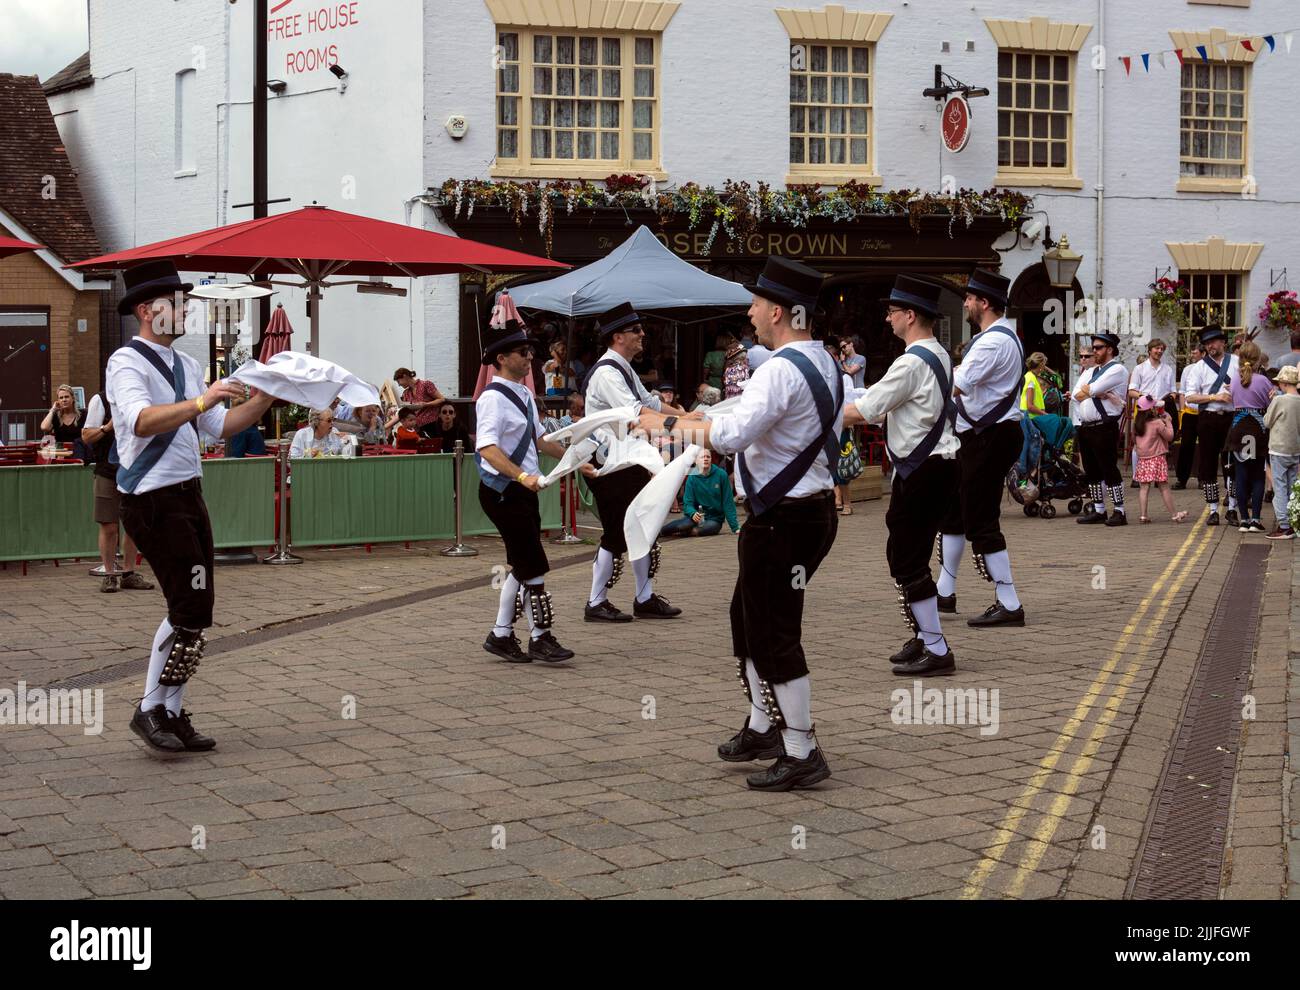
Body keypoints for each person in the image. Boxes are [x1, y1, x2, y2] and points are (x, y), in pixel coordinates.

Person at [639, 256, 841, 792]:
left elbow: (730, 438)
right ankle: (763, 725)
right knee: (746, 619)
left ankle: (800, 747)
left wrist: (664, 422)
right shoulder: (822, 362)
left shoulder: (777, 368)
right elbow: (740, 417)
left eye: (755, 303)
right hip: (808, 514)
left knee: (773, 629)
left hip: (783, 520)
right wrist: (695, 419)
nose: (749, 313)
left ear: (778, 311)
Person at [106, 260, 275, 753]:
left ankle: (170, 710)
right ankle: (151, 708)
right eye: (175, 302)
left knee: (197, 607)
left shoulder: (188, 366)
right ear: (146, 309)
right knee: (188, 604)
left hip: (187, 493)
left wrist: (264, 399)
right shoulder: (126, 362)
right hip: (151, 498)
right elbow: (140, 421)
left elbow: (219, 428)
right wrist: (203, 401)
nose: (184, 310)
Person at [844, 276, 960, 676]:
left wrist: (811, 413)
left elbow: (865, 410)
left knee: (907, 556)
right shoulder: (938, 354)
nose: (887, 317)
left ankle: (936, 647)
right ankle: (924, 635)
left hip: (924, 470)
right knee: (907, 553)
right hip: (936, 467)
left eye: (892, 312)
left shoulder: (911, 362)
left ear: (910, 316)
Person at [476, 320, 590, 664]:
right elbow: (487, 448)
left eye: (530, 352)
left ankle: (500, 635)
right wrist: (523, 476)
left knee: (522, 563)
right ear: (501, 358)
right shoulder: (491, 399)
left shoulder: (524, 392)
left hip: (522, 490)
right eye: (522, 352)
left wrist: (577, 461)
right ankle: (540, 637)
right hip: (503, 491)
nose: (529, 358)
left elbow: (540, 440)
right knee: (533, 564)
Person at [582, 302, 690, 622]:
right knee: (618, 531)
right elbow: (637, 412)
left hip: (628, 459)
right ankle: (595, 602)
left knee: (644, 524)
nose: (643, 334)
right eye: (636, 330)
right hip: (608, 462)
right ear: (618, 337)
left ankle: (644, 597)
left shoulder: (623, 367)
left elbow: (651, 402)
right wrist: (686, 426)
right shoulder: (606, 373)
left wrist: (687, 415)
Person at [936, 269, 1027, 627]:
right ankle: (944, 592)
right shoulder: (1003, 336)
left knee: (981, 519)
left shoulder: (993, 342)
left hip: (990, 437)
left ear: (984, 303)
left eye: (970, 299)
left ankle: (1009, 601)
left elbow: (955, 383)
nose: (967, 304)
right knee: (955, 513)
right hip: (983, 435)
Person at [81, 390, 154, 593]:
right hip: (107, 470)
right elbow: (86, 436)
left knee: (133, 523)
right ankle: (109, 574)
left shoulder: (140, 397)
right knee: (108, 525)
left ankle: (129, 574)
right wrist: (108, 427)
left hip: (133, 469)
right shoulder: (101, 400)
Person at [1182, 325, 1241, 526]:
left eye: (1214, 341)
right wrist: (1214, 396)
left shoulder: (1237, 362)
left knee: (1232, 463)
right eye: (1207, 343)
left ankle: (1232, 508)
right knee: (1207, 464)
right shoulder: (1198, 367)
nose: (1210, 345)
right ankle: (1213, 509)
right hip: (1208, 418)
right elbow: (1189, 397)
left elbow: (1247, 387)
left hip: (1232, 418)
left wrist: (1233, 392)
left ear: (1223, 342)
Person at [1073, 332, 1130, 525]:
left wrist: (1093, 391)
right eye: (1094, 348)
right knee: (1091, 470)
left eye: (1098, 348)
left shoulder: (1118, 369)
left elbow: (1093, 390)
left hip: (1104, 426)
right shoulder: (1089, 372)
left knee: (1109, 468)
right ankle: (1099, 510)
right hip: (1086, 426)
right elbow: (1075, 395)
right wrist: (1095, 391)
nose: (1094, 351)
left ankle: (1119, 511)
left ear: (1110, 349)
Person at [1227, 340, 1274, 533]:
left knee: (1240, 475)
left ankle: (1243, 520)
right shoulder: (1263, 381)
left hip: (1238, 428)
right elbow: (1269, 404)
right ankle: (1255, 519)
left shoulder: (1234, 379)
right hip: (1257, 428)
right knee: (1257, 476)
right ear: (1257, 360)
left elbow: (1232, 401)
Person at [1128, 338, 1177, 487]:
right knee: (1140, 442)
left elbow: (1173, 392)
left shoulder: (1168, 369)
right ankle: (1137, 477)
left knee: (1161, 442)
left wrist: (1168, 399)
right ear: (1150, 350)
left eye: (1162, 349)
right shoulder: (1140, 369)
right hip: (1144, 409)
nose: (1159, 351)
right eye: (1157, 348)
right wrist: (1144, 397)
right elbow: (1131, 391)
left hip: (1161, 408)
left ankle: (1157, 476)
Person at [660, 450, 740, 537]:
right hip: (695, 516)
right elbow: (688, 503)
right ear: (696, 461)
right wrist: (692, 512)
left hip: (714, 519)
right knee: (683, 525)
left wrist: (735, 527)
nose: (705, 459)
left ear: (711, 459)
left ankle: (682, 533)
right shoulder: (692, 477)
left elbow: (728, 502)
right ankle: (660, 532)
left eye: (708, 457)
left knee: (697, 531)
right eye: (702, 457)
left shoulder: (721, 475)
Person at [1132, 395, 1187, 523]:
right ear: (1151, 410)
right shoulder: (1157, 423)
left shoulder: (1137, 425)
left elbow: (1134, 440)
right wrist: (1168, 421)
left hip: (1143, 460)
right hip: (1157, 458)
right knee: (1164, 487)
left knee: (1144, 488)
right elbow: (1169, 436)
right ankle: (1174, 514)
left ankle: (1143, 515)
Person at [1264, 366, 1300, 538]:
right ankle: (1294, 522)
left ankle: (1284, 525)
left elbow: (1267, 421)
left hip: (1279, 449)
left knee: (1279, 486)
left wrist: (1273, 400)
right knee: (1292, 485)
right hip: (1295, 449)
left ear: (1284, 383)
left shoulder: (1279, 401)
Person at [1174, 343, 1204, 489]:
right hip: (1189, 413)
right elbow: (1183, 392)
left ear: (1203, 354)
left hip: (1205, 413)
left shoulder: (1208, 369)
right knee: (1186, 446)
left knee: (1205, 447)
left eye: (1195, 352)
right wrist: (1181, 411)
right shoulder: (1187, 369)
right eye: (1191, 352)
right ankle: (1182, 478)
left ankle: (1203, 479)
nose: (1192, 355)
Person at [393, 367, 446, 437]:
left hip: (432, 425)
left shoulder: (426, 385)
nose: (399, 385)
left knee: (434, 446)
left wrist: (426, 404)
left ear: (404, 376)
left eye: (398, 381)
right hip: (417, 428)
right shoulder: (406, 393)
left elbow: (441, 399)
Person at [222, 389, 269, 458]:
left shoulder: (240, 430)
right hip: (259, 465)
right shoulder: (251, 427)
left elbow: (235, 456)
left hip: (251, 466)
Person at [42, 384, 86, 456]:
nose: (64, 400)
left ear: (73, 398)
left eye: (66, 397)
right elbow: (44, 427)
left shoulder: (83, 414)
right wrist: (52, 410)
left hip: (79, 453)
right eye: (61, 398)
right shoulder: (56, 416)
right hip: (61, 454)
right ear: (58, 401)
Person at [1069, 342, 1093, 431]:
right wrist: (1072, 395)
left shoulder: (1093, 372)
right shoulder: (1086, 371)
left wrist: (1075, 395)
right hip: (1078, 422)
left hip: (1085, 423)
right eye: (1081, 356)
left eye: (1087, 356)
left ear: (1095, 357)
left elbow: (1091, 394)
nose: (1083, 358)